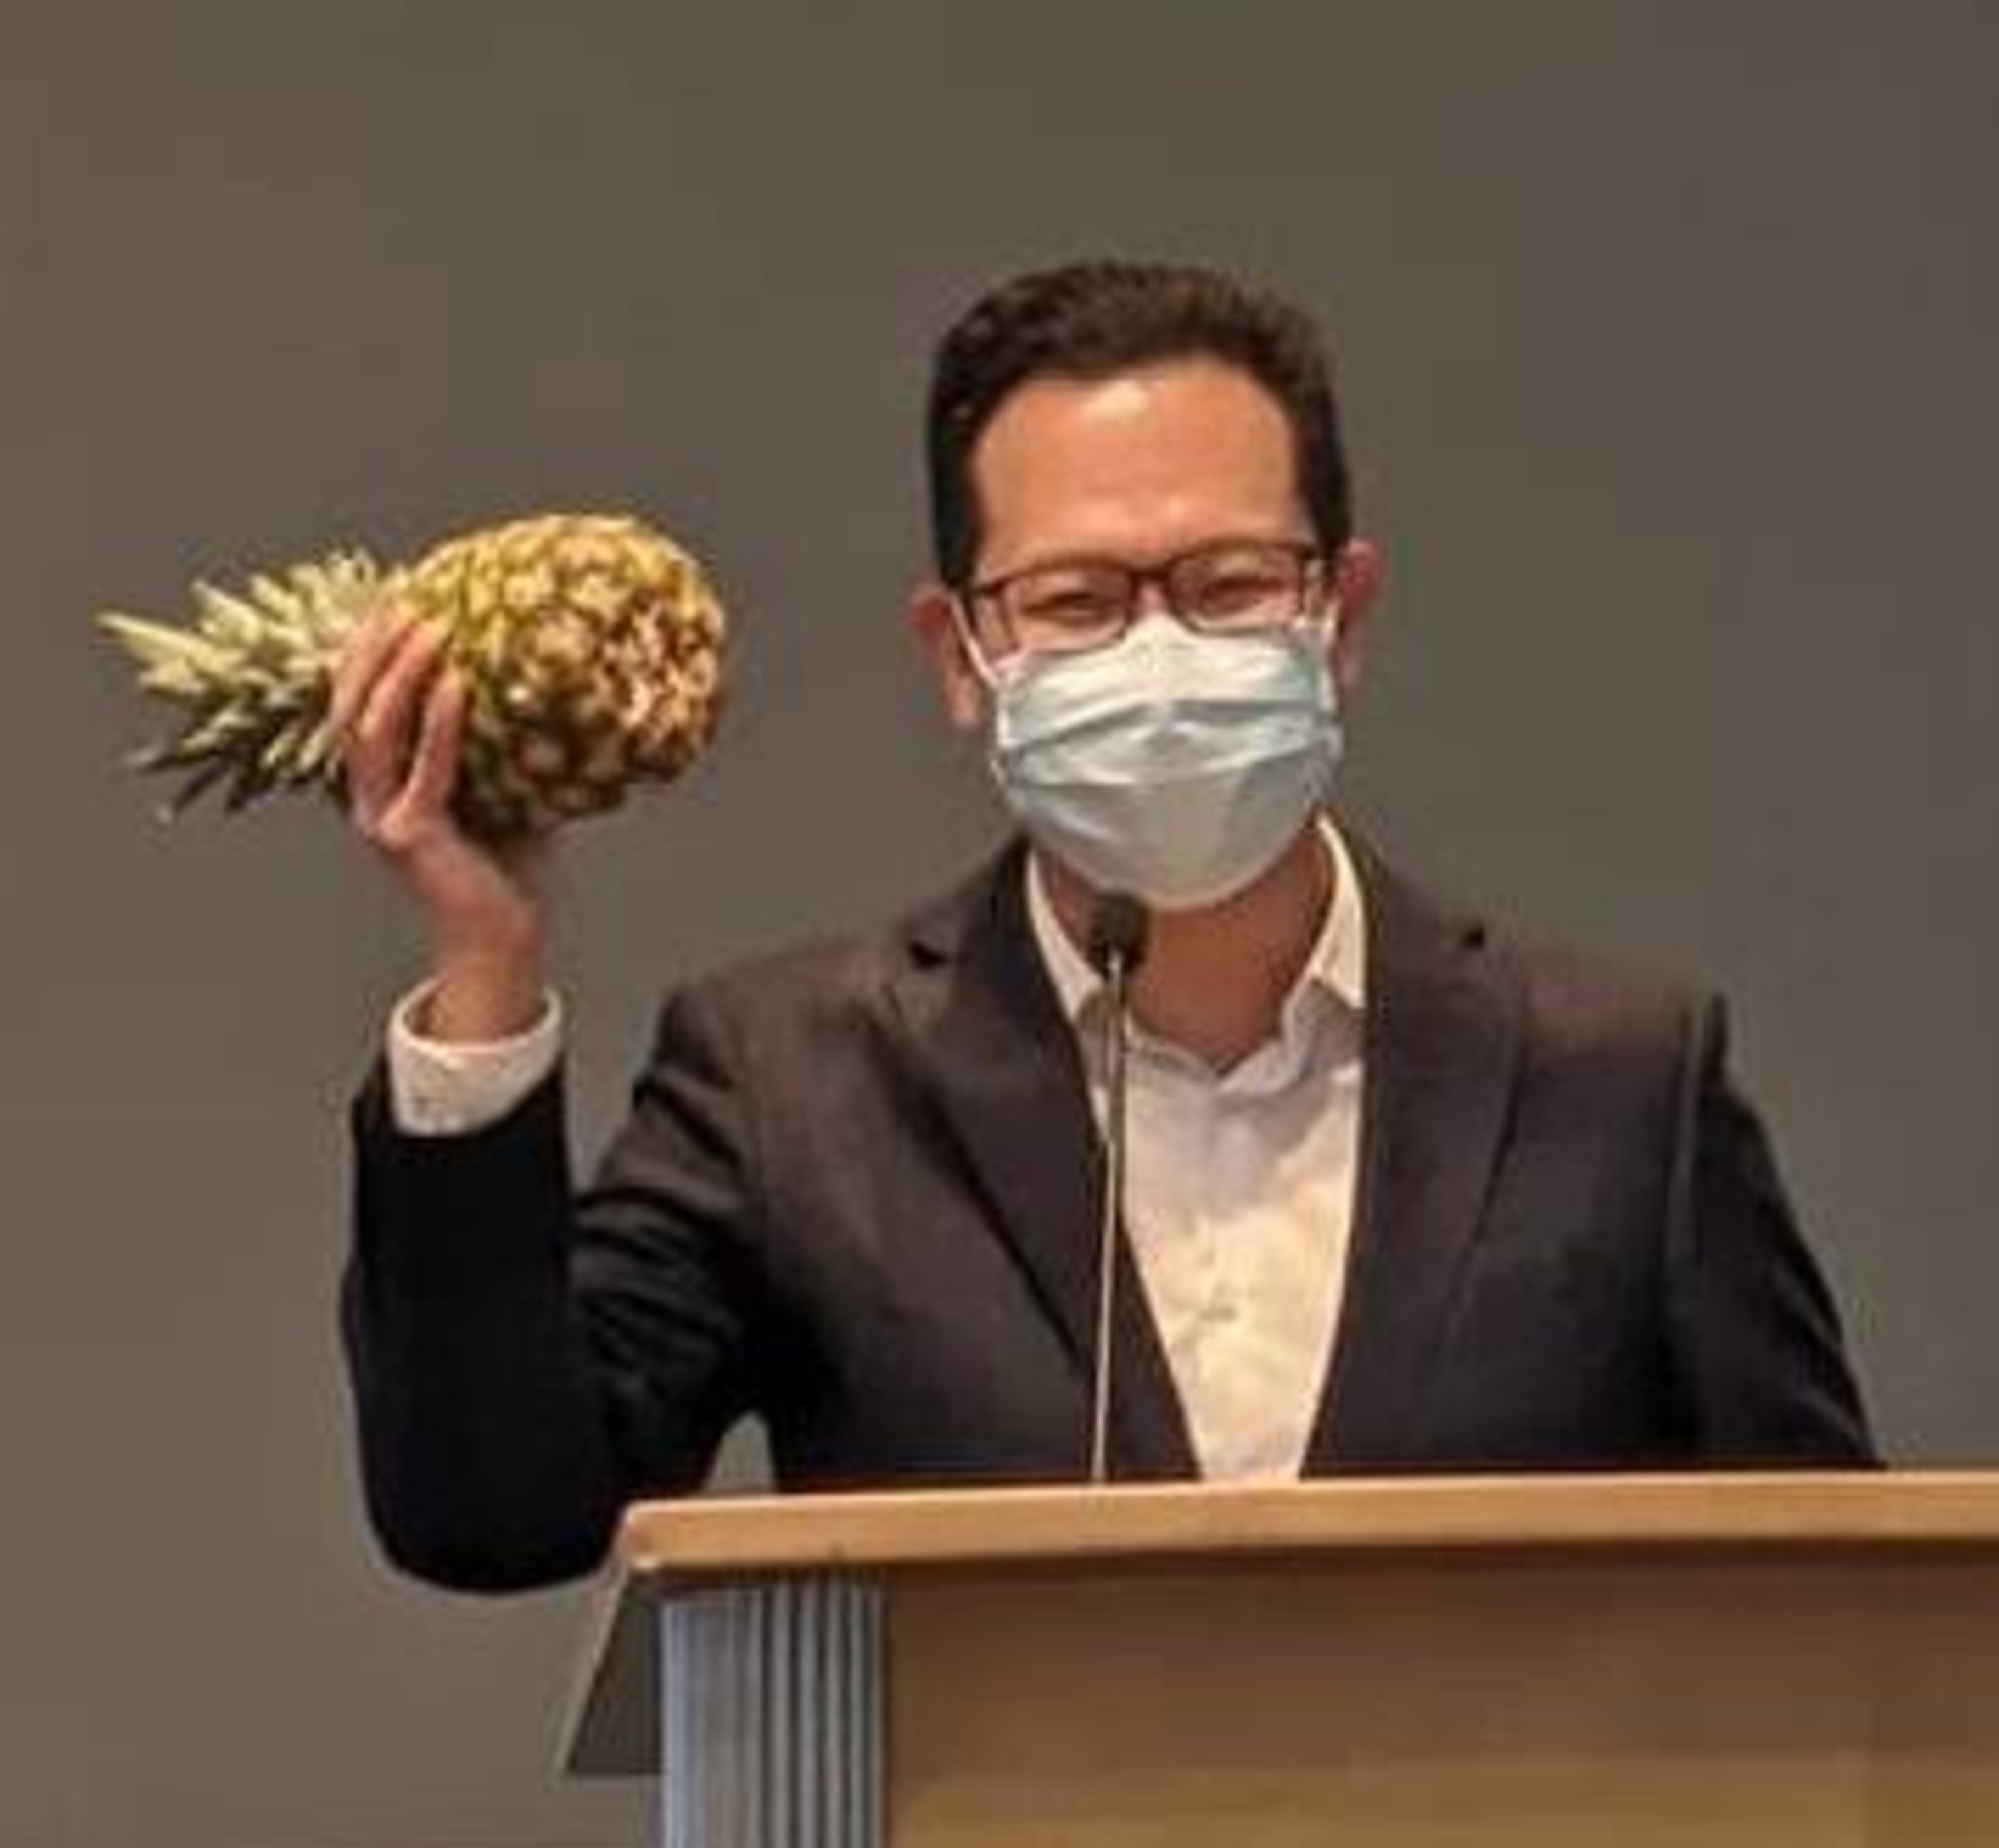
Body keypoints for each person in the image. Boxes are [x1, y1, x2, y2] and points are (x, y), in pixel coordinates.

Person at [335, 260, 1876, 1592]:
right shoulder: (793, 1082)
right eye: (1075, 601)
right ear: (961, 656)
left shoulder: (1620, 1082)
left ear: (1340, 617)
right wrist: (485, 965)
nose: (1160, 649)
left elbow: (1841, 1614)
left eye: (1228, 583)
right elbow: (493, 1513)